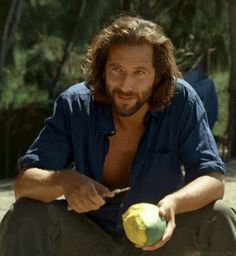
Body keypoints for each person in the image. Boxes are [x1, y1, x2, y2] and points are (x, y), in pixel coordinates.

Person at [0, 15, 235, 256]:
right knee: (25, 213)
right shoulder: (75, 105)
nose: (126, 85)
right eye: (116, 69)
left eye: (140, 72)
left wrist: (173, 204)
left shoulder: (182, 100)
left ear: (158, 75)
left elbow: (213, 179)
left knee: (219, 216)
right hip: (87, 238)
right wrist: (65, 181)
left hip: (161, 239)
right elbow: (24, 184)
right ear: (102, 69)